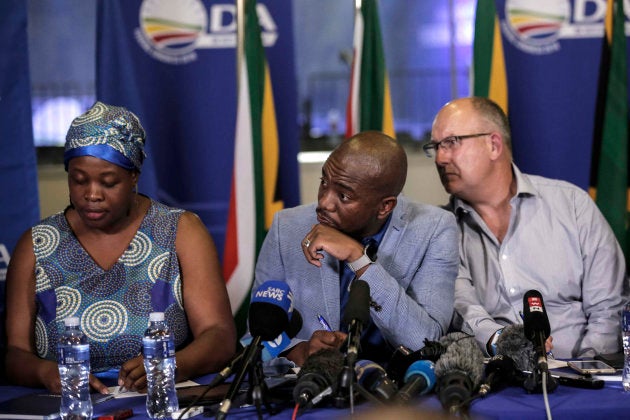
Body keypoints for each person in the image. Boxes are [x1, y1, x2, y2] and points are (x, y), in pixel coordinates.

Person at [5, 102, 236, 393]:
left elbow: (219, 336)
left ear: (133, 177)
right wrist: (44, 373)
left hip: (160, 399)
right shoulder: (37, 244)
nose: (92, 194)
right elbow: (14, 353)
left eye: (108, 182)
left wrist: (170, 365)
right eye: (78, 181)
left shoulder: (181, 231)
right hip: (69, 406)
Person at [428, 96, 628, 358]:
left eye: (451, 143)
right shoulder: (441, 229)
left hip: (585, 377)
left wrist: (587, 369)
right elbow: (462, 308)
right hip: (500, 382)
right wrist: (506, 345)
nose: (440, 158)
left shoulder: (571, 204)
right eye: (435, 146)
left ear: (494, 145)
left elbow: (609, 306)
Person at [253, 130, 459, 366]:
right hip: (309, 390)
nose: (324, 202)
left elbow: (427, 342)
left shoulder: (434, 229)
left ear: (385, 207)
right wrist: (299, 351)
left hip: (392, 393)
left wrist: (359, 259)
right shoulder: (287, 228)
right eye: (324, 183)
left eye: (343, 195)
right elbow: (255, 338)